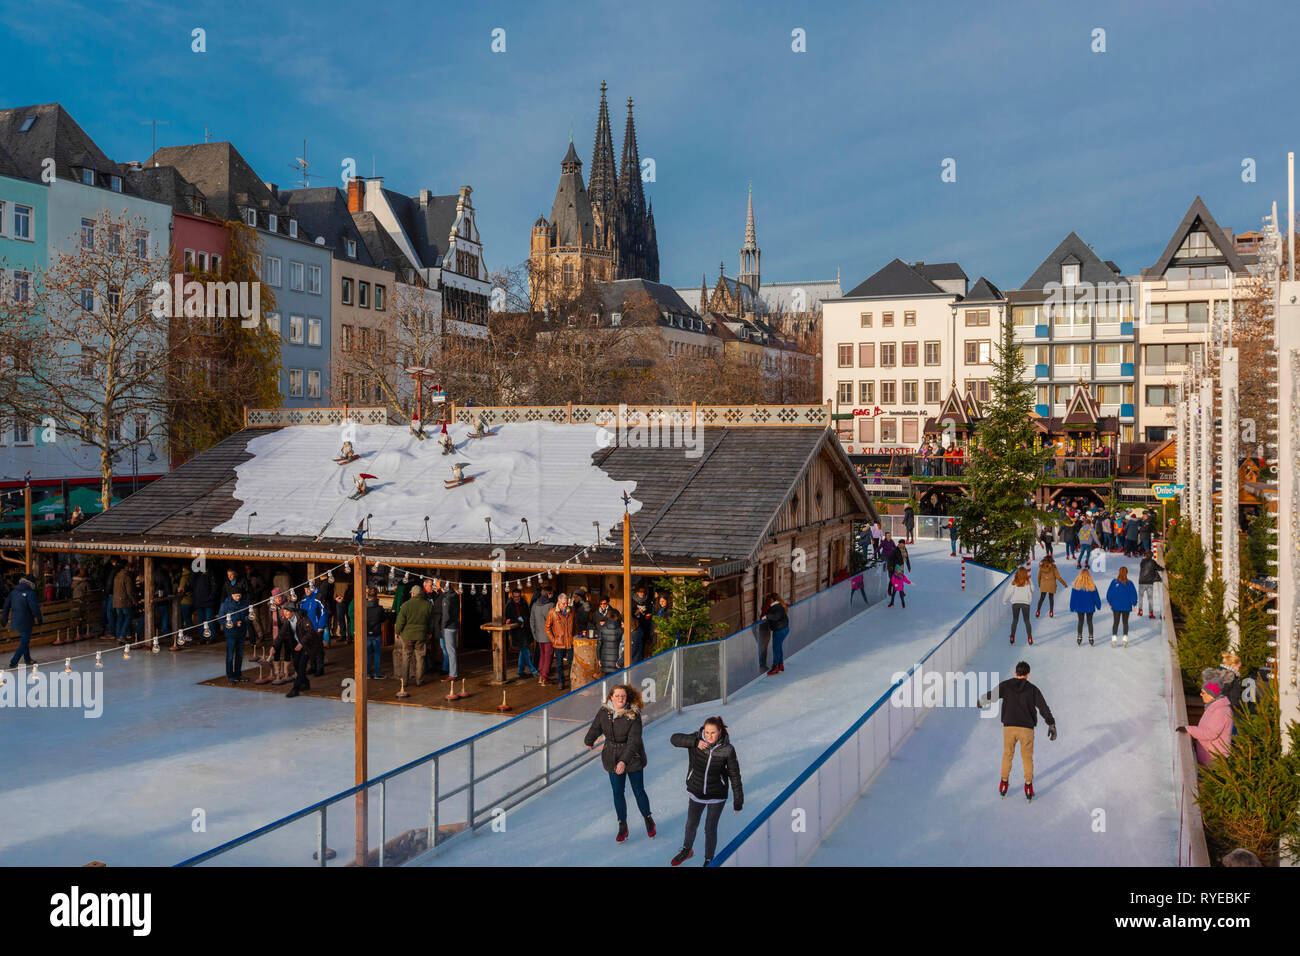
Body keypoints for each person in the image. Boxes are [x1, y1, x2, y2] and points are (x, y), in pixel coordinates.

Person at [584, 684, 655, 843]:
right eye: (617, 696)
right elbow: (596, 727)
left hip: (633, 756)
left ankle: (648, 818)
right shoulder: (604, 712)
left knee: (638, 791)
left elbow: (634, 741)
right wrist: (589, 739)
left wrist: (623, 761)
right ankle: (622, 824)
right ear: (611, 697)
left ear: (627, 697)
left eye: (623, 696)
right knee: (618, 792)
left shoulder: (633, 714)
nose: (620, 699)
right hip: (611, 756)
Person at [977, 660, 1056, 801]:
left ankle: (1004, 782)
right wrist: (1051, 723)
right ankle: (1028, 785)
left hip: (1009, 728)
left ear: (1015, 673)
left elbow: (993, 695)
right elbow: (1043, 707)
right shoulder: (1033, 689)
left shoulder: (1006, 685)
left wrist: (983, 700)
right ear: (1028, 674)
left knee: (1007, 755)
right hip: (1027, 729)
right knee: (1027, 758)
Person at [669, 716, 743, 866]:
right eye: (707, 732)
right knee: (691, 824)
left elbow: (734, 775)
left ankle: (709, 859)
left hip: (716, 795)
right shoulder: (697, 739)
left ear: (720, 732)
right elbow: (674, 739)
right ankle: (687, 850)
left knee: (710, 828)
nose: (709, 736)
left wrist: (738, 800)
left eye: (713, 733)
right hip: (696, 791)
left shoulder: (727, 750)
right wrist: (695, 742)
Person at [1176, 681, 1234, 766]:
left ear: (1212, 695)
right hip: (1208, 756)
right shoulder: (1213, 707)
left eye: (1203, 692)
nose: (1200, 694)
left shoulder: (1221, 711)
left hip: (1215, 759)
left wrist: (1188, 729)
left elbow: (1210, 733)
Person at [392, 584, 432, 698]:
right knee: (420, 658)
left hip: (407, 636)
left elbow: (400, 621)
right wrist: (429, 632)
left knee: (406, 658)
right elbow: (431, 621)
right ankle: (419, 681)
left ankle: (404, 682)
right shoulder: (428, 605)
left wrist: (397, 631)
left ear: (413, 594)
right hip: (421, 635)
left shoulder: (405, 605)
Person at [2, 575, 42, 668]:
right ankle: (13, 662)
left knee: (25, 640)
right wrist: (39, 618)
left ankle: (27, 659)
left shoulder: (13, 592)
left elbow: (6, 606)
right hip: (26, 621)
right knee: (25, 642)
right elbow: (34, 608)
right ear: (31, 584)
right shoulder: (30, 593)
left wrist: (4, 619)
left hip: (16, 621)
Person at [285, 603, 323, 699]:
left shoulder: (303, 619)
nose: (284, 613)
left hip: (309, 646)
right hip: (299, 646)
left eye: (286, 611)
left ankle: (295, 689)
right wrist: (274, 646)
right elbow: (281, 635)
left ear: (292, 612)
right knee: (296, 664)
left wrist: (301, 643)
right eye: (284, 611)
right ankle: (306, 683)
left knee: (301, 666)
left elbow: (310, 633)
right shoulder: (288, 621)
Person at [217, 587, 251, 682]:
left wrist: (248, 619)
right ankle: (230, 676)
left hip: (241, 633)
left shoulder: (244, 603)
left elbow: (248, 615)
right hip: (231, 634)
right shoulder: (225, 605)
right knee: (230, 655)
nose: (238, 597)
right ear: (232, 595)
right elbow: (220, 619)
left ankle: (238, 674)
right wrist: (233, 624)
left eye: (240, 595)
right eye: (236, 595)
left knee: (240, 655)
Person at [546, 592, 576, 691]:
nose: (566, 605)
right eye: (564, 603)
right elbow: (547, 628)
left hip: (570, 642)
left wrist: (574, 637)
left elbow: (575, 625)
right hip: (558, 643)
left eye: (566, 603)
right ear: (558, 602)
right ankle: (561, 681)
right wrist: (553, 640)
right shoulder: (552, 612)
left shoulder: (571, 611)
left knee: (572, 663)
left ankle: (572, 682)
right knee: (559, 664)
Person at [505, 587, 536, 678]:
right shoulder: (509, 605)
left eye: (518, 597)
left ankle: (520, 671)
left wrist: (525, 623)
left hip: (525, 630)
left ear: (520, 596)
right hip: (517, 631)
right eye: (515, 597)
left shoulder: (524, 603)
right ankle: (533, 670)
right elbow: (508, 618)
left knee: (523, 651)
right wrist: (518, 622)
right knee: (525, 651)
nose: (516, 598)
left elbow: (527, 615)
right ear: (512, 596)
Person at [299, 584, 329, 676]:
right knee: (309, 648)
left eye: (308, 589)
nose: (307, 591)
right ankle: (313, 666)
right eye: (305, 590)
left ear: (313, 589)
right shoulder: (303, 599)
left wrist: (320, 626)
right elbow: (301, 614)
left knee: (318, 649)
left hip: (316, 628)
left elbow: (324, 612)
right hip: (307, 628)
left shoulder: (318, 597)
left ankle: (320, 668)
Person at [1106, 565, 1138, 647]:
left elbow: (1109, 593)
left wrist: (1110, 602)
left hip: (1116, 606)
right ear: (1126, 573)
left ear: (1119, 572)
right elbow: (1133, 595)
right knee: (1125, 622)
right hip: (1126, 606)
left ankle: (1114, 639)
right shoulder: (1130, 583)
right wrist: (1134, 604)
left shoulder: (1114, 582)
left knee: (1116, 622)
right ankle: (1125, 639)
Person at [530, 586, 556, 686]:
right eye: (551, 593)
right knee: (548, 657)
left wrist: (534, 634)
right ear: (548, 594)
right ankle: (545, 678)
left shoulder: (534, 605)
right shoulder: (551, 605)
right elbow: (554, 622)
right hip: (549, 636)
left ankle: (541, 676)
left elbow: (531, 621)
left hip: (538, 636)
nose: (552, 595)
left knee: (542, 656)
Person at [1070, 568, 1102, 645]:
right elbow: (1096, 597)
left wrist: (1072, 607)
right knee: (1089, 622)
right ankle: (1091, 637)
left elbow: (1073, 598)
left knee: (1080, 621)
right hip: (1089, 607)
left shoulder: (1076, 586)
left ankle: (1079, 636)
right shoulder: (1092, 586)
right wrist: (1098, 605)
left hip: (1079, 607)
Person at [362, 585, 389, 679]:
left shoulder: (363, 608)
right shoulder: (379, 608)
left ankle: (368, 674)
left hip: (366, 633)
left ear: (367, 596)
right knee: (377, 654)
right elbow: (384, 618)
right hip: (376, 633)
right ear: (376, 596)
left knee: (367, 655)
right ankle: (377, 673)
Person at [1003, 566, 1034, 645]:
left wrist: (1004, 600)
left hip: (1015, 603)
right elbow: (1033, 590)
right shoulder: (1028, 581)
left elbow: (1008, 591)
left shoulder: (1014, 581)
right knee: (1026, 620)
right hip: (1026, 603)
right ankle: (1030, 638)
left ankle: (1012, 636)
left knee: (1015, 620)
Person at [762, 593, 789, 676]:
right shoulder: (780, 605)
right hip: (784, 629)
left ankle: (775, 667)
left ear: (772, 600)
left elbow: (776, 616)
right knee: (779, 646)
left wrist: (767, 616)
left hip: (779, 631)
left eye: (768, 600)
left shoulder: (776, 607)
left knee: (776, 648)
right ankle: (781, 664)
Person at [438, 583, 460, 682]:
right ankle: (453, 672)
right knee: (452, 651)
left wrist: (442, 627)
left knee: (450, 651)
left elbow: (446, 616)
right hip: (455, 625)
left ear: (443, 588)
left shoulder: (446, 599)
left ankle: (452, 674)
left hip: (448, 627)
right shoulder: (455, 596)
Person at [629, 584, 652, 664]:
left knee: (643, 646)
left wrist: (645, 614)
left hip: (644, 626)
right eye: (640, 592)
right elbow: (630, 615)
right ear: (637, 593)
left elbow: (649, 615)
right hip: (635, 627)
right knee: (635, 645)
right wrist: (637, 612)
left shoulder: (647, 602)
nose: (642, 594)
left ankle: (641, 661)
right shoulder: (632, 602)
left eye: (643, 592)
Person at [1137, 553, 1164, 617]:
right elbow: (1159, 568)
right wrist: (1163, 569)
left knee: (1140, 597)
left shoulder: (1142, 562)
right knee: (1150, 599)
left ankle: (1140, 610)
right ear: (1152, 556)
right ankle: (1151, 613)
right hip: (1149, 583)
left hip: (1141, 582)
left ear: (1146, 555)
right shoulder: (1153, 562)